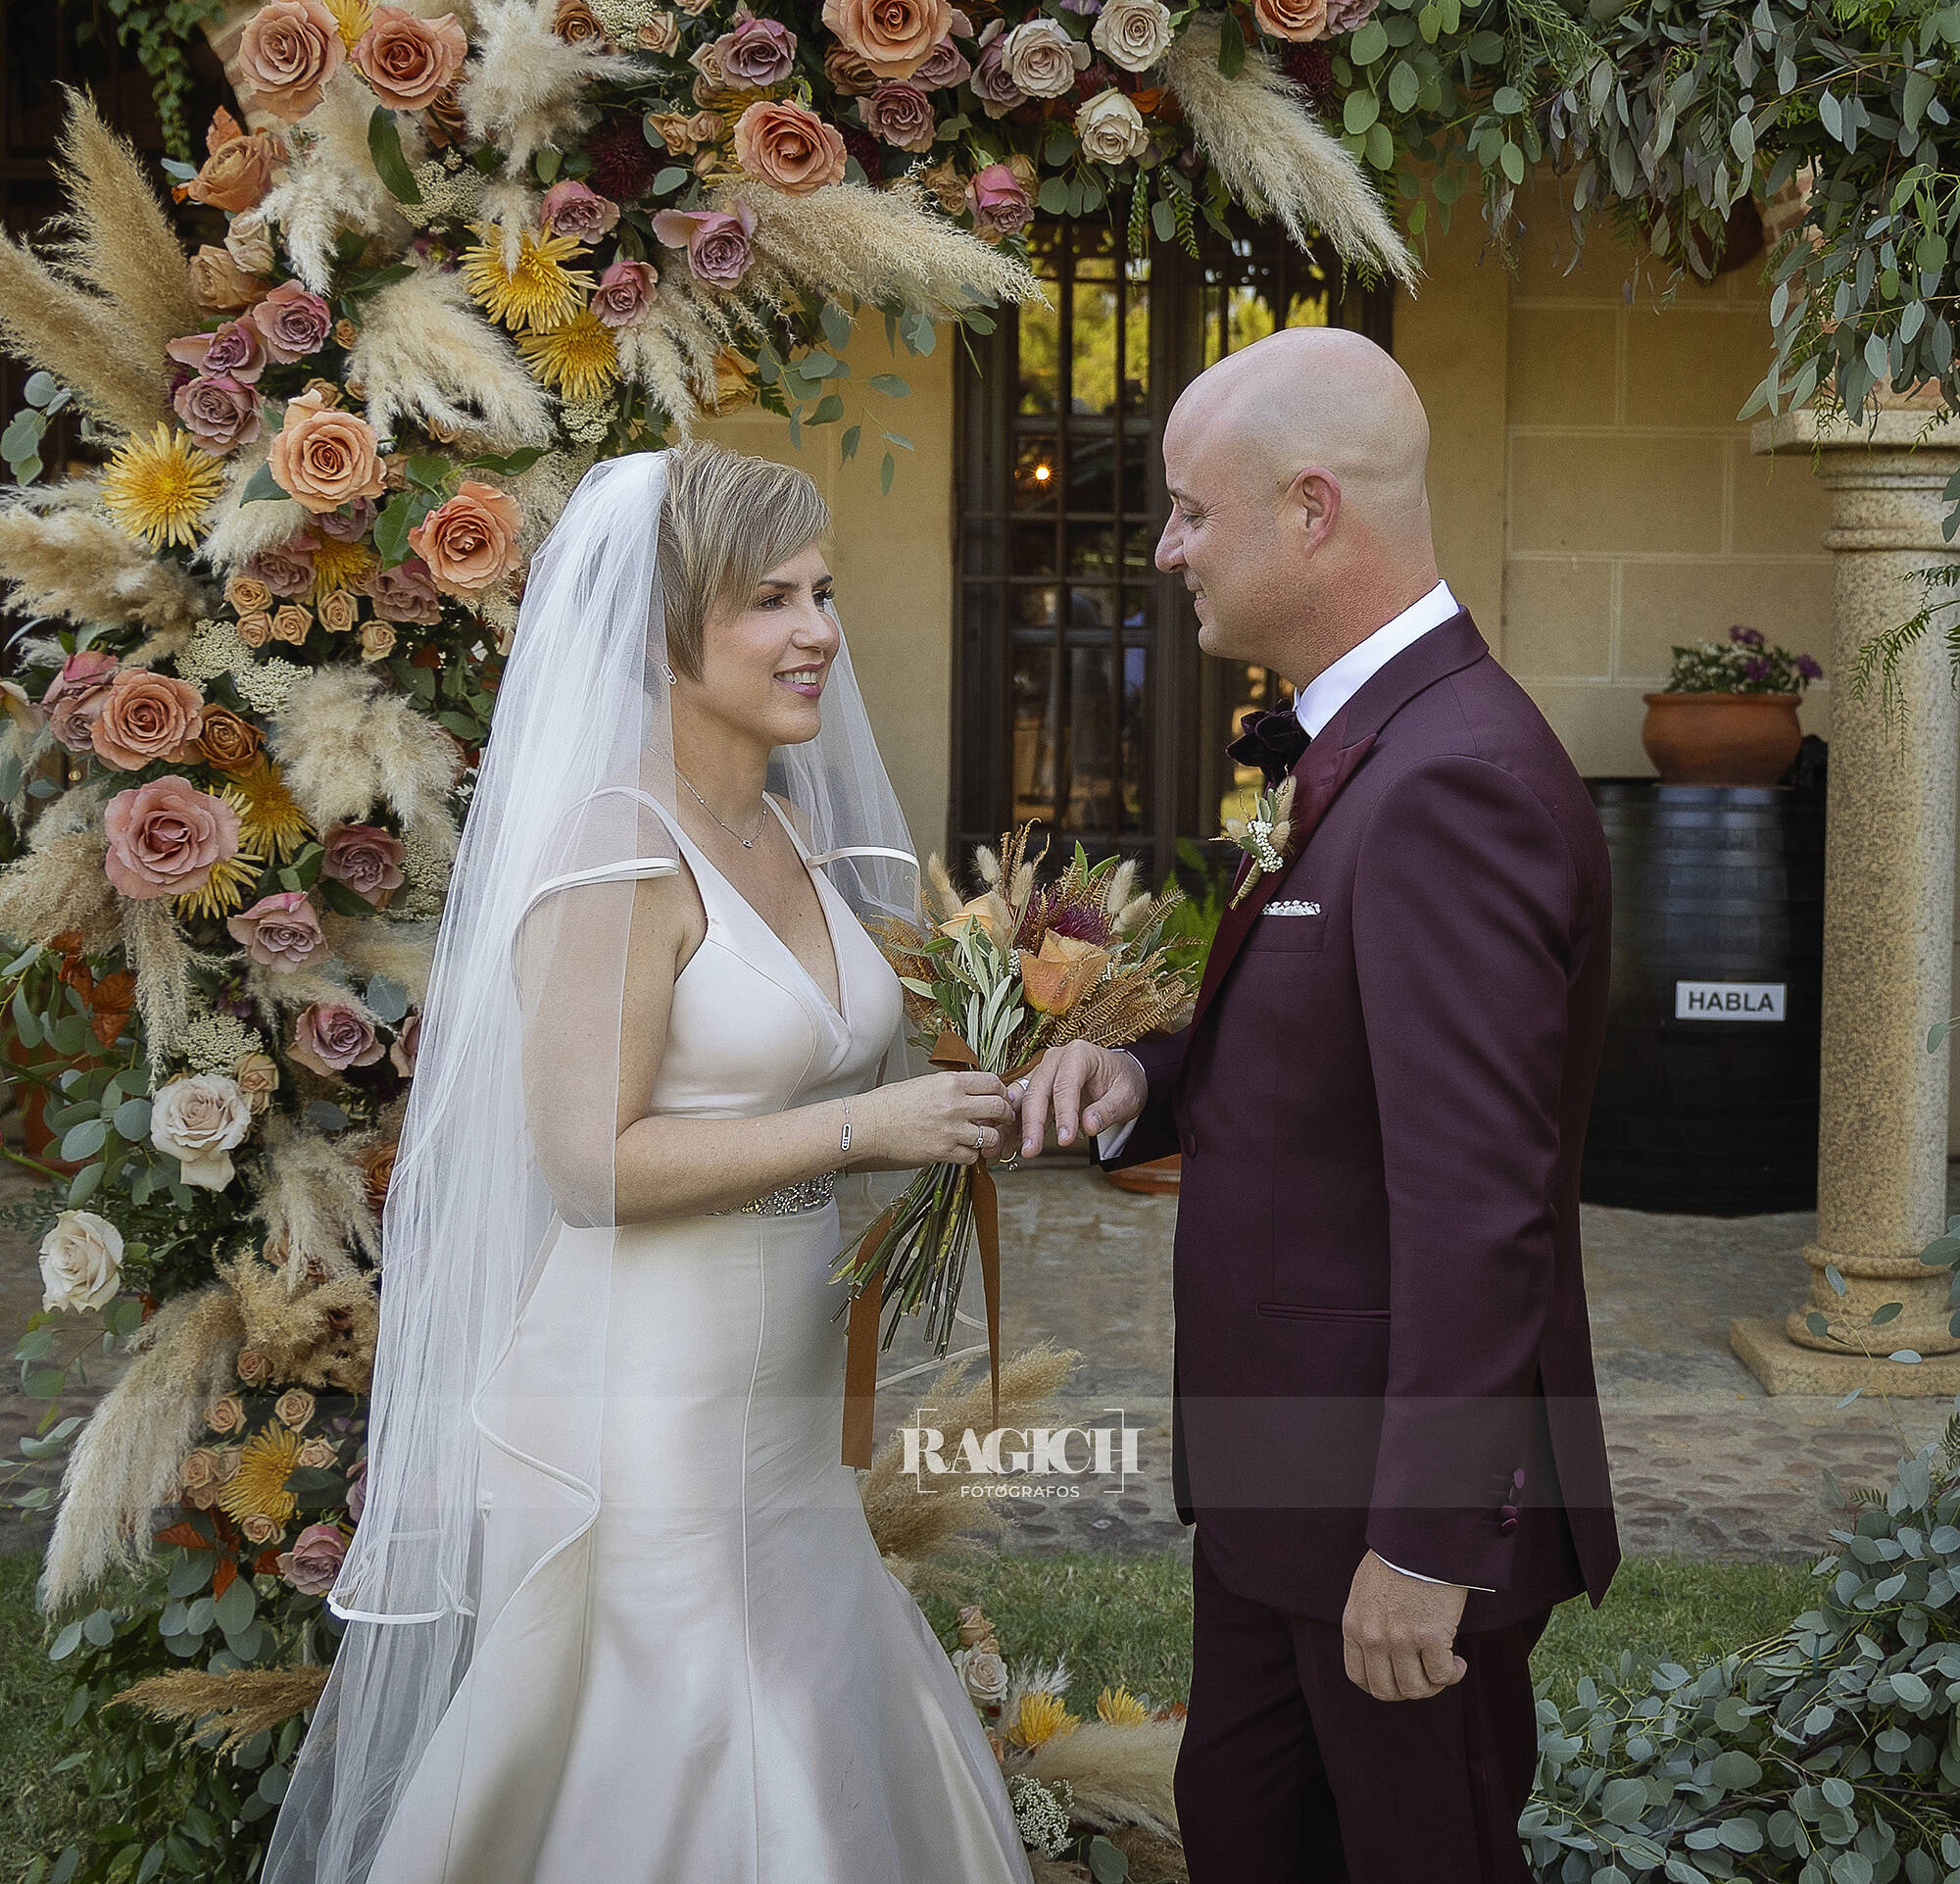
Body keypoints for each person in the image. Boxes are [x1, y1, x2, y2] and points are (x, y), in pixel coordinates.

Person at [263, 444, 1031, 1884]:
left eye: (821, 593)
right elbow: (584, 1161)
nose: (818, 632)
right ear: (668, 635)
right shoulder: (618, 850)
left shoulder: (787, 829)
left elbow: (819, 1057)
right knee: (689, 1724)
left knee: (810, 1678)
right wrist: (873, 1129)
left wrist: (1029, 1049)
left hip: (784, 1393)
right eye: (769, 601)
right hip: (652, 1401)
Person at [1014, 327, 1622, 1884]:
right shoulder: (1369, 744)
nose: (1165, 551)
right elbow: (1329, 1058)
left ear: (1311, 510)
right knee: (1248, 1832)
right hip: (1292, 1495)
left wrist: (1424, 1543)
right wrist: (1135, 1081)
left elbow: (1479, 1199)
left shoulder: (1450, 781)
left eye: (1190, 514)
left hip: (1384, 1519)